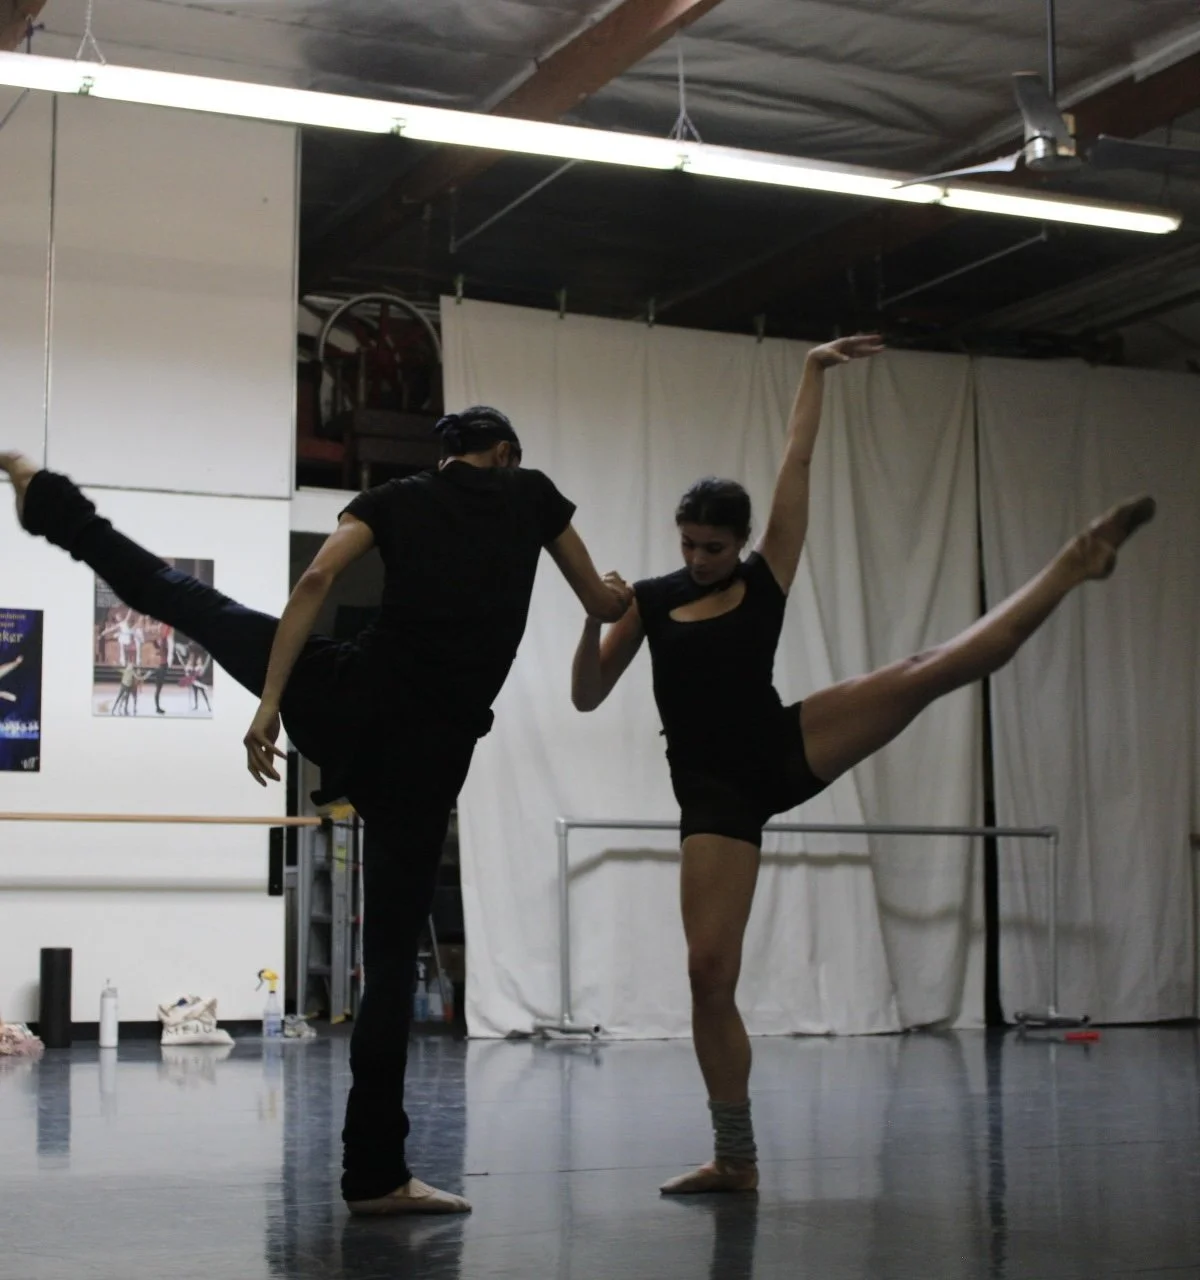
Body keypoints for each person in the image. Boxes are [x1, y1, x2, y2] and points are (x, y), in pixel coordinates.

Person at [1, 406, 632, 1216]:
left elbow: (316, 580)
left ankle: (47, 502)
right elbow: (606, 608)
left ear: (444, 459)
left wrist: (270, 704)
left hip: (344, 695)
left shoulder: (396, 498)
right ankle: (375, 1175)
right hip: (427, 753)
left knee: (179, 598)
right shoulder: (534, 494)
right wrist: (609, 594)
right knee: (390, 963)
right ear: (506, 454)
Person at [569, 335, 1156, 1196]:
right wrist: (595, 614)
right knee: (707, 975)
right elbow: (586, 695)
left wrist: (811, 370)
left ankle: (1073, 565)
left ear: (740, 543)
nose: (698, 561)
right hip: (712, 793)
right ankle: (735, 1156)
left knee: (926, 672)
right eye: (689, 545)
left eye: (712, 548)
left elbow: (795, 458)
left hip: (781, 745)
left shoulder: (766, 580)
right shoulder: (653, 603)